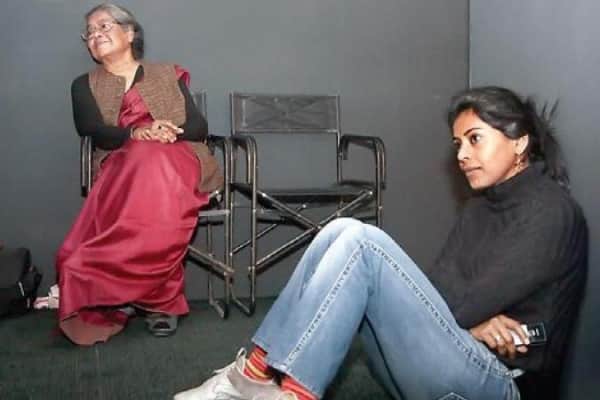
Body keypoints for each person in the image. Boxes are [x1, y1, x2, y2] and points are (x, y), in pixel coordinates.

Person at [174, 87, 588, 400]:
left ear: (519, 142)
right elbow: (443, 295)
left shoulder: (551, 212)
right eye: (458, 144)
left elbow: (457, 305)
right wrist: (472, 326)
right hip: (448, 360)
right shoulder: (480, 207)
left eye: (475, 139)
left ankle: (289, 394)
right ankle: (251, 376)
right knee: (338, 230)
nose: (462, 154)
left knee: (362, 242)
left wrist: (463, 321)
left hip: (500, 385)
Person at [56, 3, 220, 345]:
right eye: (90, 32)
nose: (95, 34)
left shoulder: (167, 74)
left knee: (154, 159)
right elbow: (91, 130)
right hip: (120, 162)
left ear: (130, 33)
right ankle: (160, 300)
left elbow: (198, 125)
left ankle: (134, 293)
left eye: (104, 26)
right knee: (143, 158)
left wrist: (164, 132)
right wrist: (136, 133)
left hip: (178, 155)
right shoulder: (84, 84)